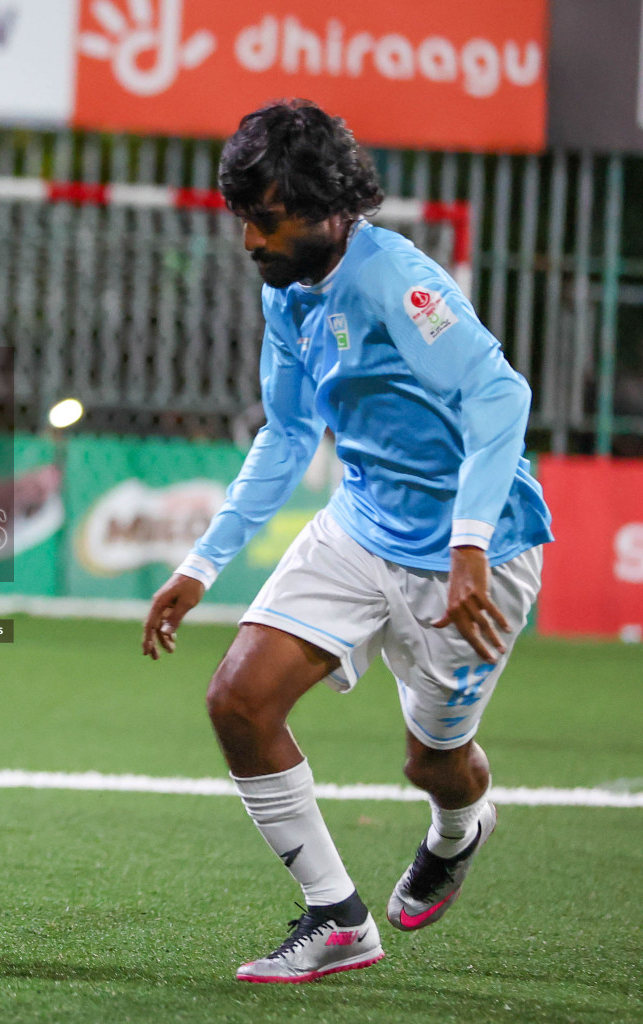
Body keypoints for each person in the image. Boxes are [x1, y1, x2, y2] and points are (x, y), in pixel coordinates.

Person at [141, 100, 552, 983]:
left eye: (268, 219)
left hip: (480, 551)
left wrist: (471, 544)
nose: (251, 241)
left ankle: (459, 828)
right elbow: (287, 435)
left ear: (329, 205)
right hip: (362, 527)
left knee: (432, 760)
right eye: (243, 219)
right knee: (236, 701)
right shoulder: (287, 290)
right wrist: (201, 563)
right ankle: (337, 917)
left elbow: (501, 401)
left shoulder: (397, 282)